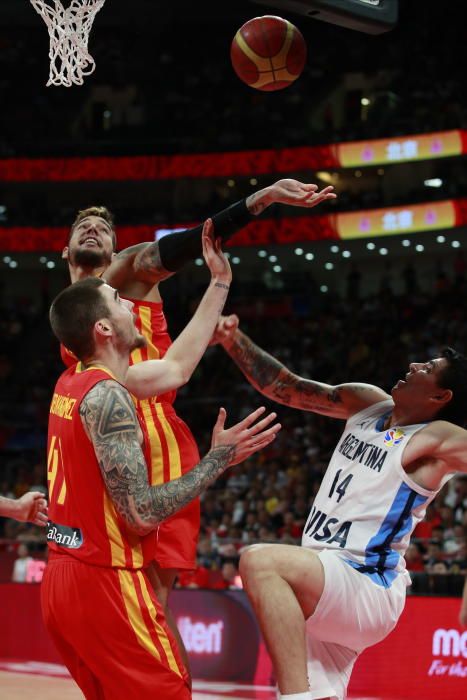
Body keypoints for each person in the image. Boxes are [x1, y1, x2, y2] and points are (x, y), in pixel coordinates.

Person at [60, 179, 336, 669]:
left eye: (104, 228)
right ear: (64, 249)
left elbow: (194, 241)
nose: (94, 230)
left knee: (151, 611)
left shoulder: (126, 272)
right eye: (84, 225)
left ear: (116, 248)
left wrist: (261, 200)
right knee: (116, 607)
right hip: (105, 451)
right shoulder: (71, 308)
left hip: (156, 448)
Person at [42, 272, 280, 699]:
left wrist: (219, 282)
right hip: (106, 580)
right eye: (118, 300)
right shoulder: (109, 397)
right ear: (104, 328)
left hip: (61, 577)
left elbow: (177, 365)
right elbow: (141, 514)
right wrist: (216, 460)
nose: (132, 306)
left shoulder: (70, 383)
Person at [212, 314, 467, 700]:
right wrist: (232, 339)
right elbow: (287, 387)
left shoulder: (437, 437)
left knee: (260, 561)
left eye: (429, 368)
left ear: (440, 396)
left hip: (366, 583)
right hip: (325, 585)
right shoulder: (367, 403)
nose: (415, 365)